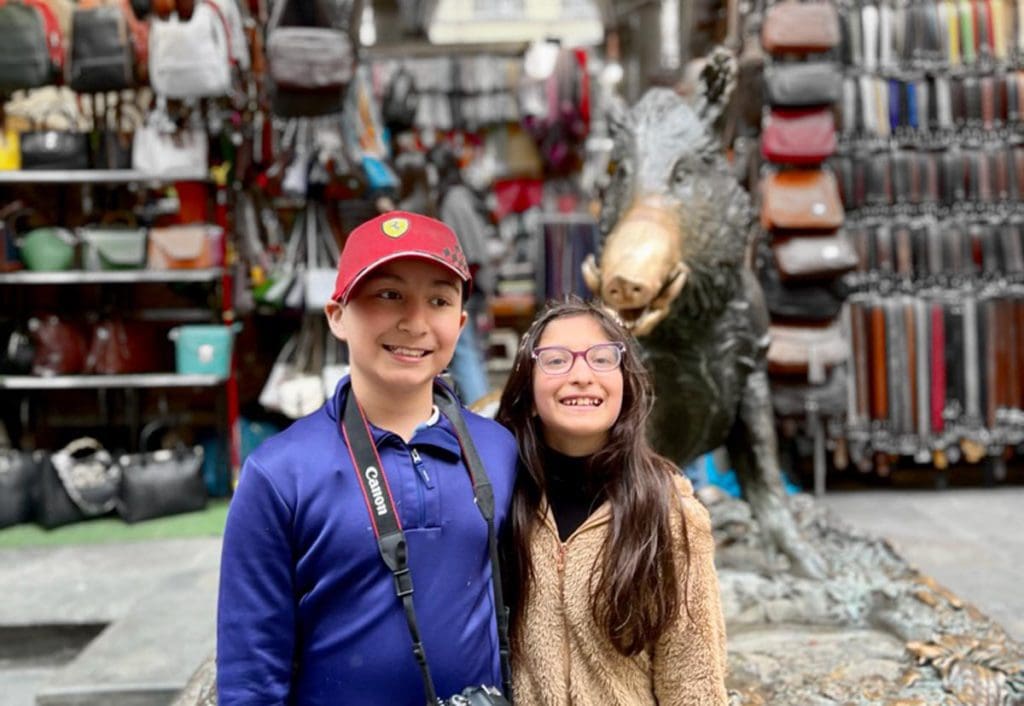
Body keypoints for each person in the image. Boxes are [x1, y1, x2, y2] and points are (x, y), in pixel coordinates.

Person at [217, 211, 518, 705]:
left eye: (438, 300)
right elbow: (251, 676)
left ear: (460, 323)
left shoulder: (497, 450)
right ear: (337, 315)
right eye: (388, 294)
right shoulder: (280, 474)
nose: (415, 322)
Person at [496, 297, 728, 705]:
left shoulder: (668, 512)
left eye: (602, 359)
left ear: (625, 385)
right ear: (529, 391)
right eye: (555, 360)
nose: (582, 375)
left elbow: (694, 680)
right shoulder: (498, 499)